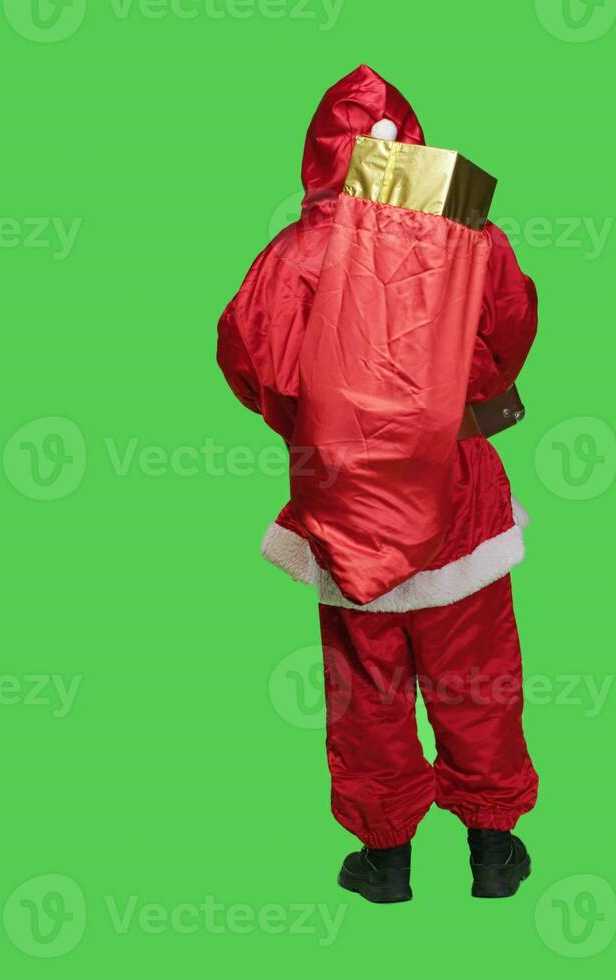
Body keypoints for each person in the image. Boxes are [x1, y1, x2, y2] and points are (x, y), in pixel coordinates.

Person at [217, 65, 540, 903]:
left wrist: (321, 427)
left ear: (320, 150)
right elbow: (511, 334)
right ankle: (494, 852)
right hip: (458, 488)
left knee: (368, 688)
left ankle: (387, 862)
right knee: (476, 674)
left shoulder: (292, 255)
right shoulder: (470, 232)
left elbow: (251, 360)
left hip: (343, 492)